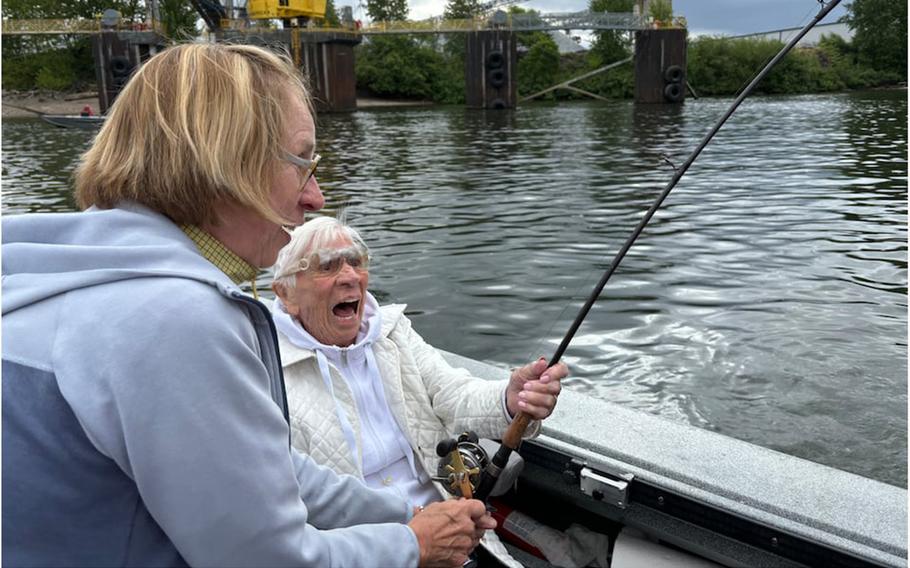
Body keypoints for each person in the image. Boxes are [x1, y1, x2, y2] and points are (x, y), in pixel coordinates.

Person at [2, 43, 494, 567]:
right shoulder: (174, 320)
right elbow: (266, 560)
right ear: (225, 160)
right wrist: (414, 545)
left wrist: (401, 515)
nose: (316, 198)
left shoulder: (47, 279)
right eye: (302, 163)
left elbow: (265, 470)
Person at [270, 215, 568, 566]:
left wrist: (511, 398)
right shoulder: (265, 369)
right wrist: (414, 531)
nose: (350, 276)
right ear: (286, 293)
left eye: (356, 261)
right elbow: (296, 510)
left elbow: (455, 395)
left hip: (457, 531)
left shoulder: (394, 333)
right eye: (327, 266)